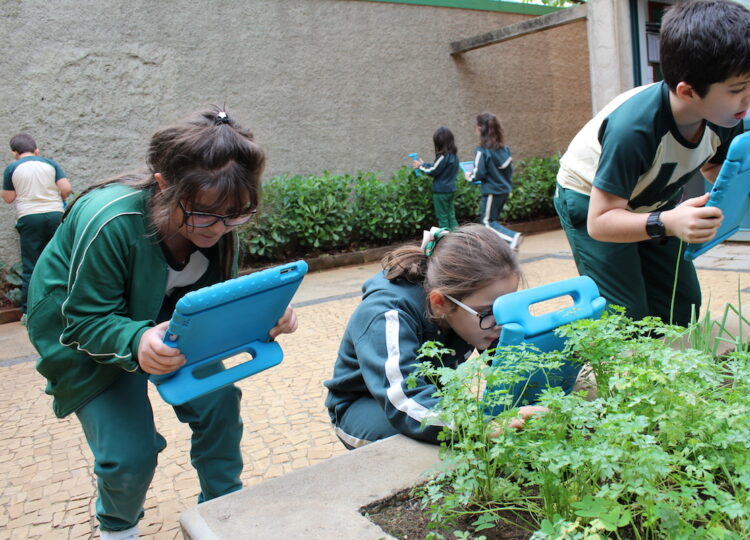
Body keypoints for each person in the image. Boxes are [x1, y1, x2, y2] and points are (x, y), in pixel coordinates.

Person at [25, 107, 298, 540]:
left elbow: (213, 302)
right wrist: (136, 340)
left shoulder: (221, 222)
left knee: (220, 404)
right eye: (205, 214)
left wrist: (263, 318)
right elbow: (82, 320)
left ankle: (224, 511)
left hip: (165, 323)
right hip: (82, 329)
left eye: (236, 215)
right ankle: (118, 530)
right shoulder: (111, 220)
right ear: (164, 185)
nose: (220, 229)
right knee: (129, 455)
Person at [553, 0, 750, 327]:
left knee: (680, 304)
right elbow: (600, 222)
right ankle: (630, 374)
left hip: (654, 200)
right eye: (738, 88)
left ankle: (669, 372)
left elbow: (712, 166)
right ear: (688, 92)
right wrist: (667, 223)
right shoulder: (635, 129)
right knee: (626, 313)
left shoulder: (724, 114)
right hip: (591, 200)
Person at [324, 224, 541, 449]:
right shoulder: (386, 314)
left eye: (507, 308)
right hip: (367, 406)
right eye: (489, 313)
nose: (501, 324)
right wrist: (481, 425)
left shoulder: (476, 313)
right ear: (440, 304)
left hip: (427, 395)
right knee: (427, 445)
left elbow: (506, 363)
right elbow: (404, 401)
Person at [2, 133, 72, 321]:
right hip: (55, 214)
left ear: (14, 153)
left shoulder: (12, 168)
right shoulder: (50, 164)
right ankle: (66, 306)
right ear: (36, 150)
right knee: (60, 260)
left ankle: (28, 312)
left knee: (31, 264)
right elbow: (66, 188)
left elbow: (8, 198)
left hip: (29, 217)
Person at [466, 113, 521, 250]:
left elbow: (479, 173)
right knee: (493, 221)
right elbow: (509, 171)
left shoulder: (482, 151)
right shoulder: (505, 149)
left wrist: (469, 176)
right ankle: (497, 247)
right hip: (504, 190)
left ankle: (512, 238)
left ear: (480, 129)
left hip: (491, 191)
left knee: (487, 222)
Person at [412, 127, 460, 230]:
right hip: (450, 190)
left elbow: (433, 171)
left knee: (442, 218)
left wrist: (420, 166)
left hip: (441, 192)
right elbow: (437, 167)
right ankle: (458, 238)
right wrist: (424, 164)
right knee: (451, 216)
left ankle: (446, 241)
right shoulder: (454, 156)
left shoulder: (442, 156)